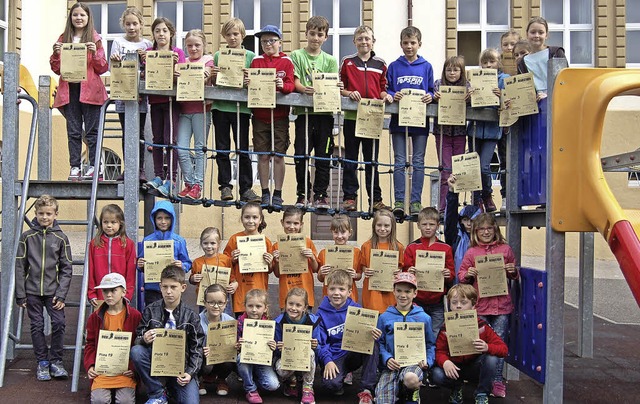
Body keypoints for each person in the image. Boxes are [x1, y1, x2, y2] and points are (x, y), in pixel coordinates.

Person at [458, 213, 519, 398]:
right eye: (482, 229)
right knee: (478, 341)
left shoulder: (505, 249)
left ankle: (497, 379)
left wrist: (512, 271)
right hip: (481, 306)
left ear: (495, 230)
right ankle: (482, 376)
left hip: (502, 306)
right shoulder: (472, 252)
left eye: (489, 228)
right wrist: (469, 273)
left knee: (498, 341)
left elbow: (514, 274)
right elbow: (461, 276)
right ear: (476, 232)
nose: (485, 232)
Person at [15, 195, 72, 381]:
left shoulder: (61, 238)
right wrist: (20, 294)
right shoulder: (27, 237)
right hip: (32, 291)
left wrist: (61, 295)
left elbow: (66, 268)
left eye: (48, 213)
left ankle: (56, 360)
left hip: (54, 293)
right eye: (41, 213)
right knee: (36, 325)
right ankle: (42, 362)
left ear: (56, 214)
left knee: (59, 323)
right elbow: (20, 266)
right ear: (35, 213)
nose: (44, 217)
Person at [50, 2, 108, 181]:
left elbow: (103, 68)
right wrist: (55, 54)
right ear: (71, 18)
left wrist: (96, 53)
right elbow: (57, 69)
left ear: (88, 17)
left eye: (82, 15)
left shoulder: (95, 38)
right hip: (70, 90)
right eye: (75, 15)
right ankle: (75, 167)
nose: (79, 18)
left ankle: (94, 166)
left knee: (92, 131)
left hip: (90, 90)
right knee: (73, 131)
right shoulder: (63, 38)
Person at [130, 265, 204, 404]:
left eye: (173, 287)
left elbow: (197, 348)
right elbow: (138, 336)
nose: (168, 291)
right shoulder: (151, 310)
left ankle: (172, 388)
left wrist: (189, 373)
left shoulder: (191, 315)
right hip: (157, 363)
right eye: (165, 287)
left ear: (183, 287)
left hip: (181, 367)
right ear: (160, 287)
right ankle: (157, 393)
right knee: (136, 352)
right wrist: (144, 339)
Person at [339, 25, 392, 212]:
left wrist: (386, 95)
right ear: (354, 41)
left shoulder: (381, 64)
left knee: (372, 161)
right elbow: (340, 88)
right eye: (360, 38)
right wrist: (349, 93)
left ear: (373, 41)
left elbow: (383, 87)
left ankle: (375, 199)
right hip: (353, 118)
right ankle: (349, 197)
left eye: (367, 38)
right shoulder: (347, 62)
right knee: (351, 159)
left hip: (373, 118)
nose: (364, 42)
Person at [290, 15, 340, 209]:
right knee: (301, 154)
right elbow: (294, 80)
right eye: (312, 34)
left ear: (325, 37)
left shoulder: (329, 60)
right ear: (306, 34)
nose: (315, 38)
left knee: (323, 155)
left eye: (320, 35)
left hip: (324, 115)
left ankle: (320, 194)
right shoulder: (296, 56)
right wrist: (303, 89)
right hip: (304, 114)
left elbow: (332, 84)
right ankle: (302, 193)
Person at [431, 284, 508, 404]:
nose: (458, 306)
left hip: (475, 367)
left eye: (463, 302)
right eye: (454, 302)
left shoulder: (482, 326)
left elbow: (503, 349)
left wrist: (487, 347)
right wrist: (445, 362)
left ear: (473, 305)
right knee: (436, 374)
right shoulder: (445, 327)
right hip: (455, 367)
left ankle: (482, 393)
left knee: (491, 358)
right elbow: (439, 351)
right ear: (450, 305)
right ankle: (456, 388)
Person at [386, 26, 434, 217]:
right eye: (405, 43)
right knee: (399, 161)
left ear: (419, 44)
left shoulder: (426, 66)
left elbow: (431, 89)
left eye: (413, 43)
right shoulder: (394, 66)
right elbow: (387, 89)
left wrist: (430, 96)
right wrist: (391, 95)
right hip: (399, 120)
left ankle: (415, 201)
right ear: (401, 44)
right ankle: (399, 200)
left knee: (418, 161)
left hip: (419, 119)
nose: (409, 46)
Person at [212, 18, 260, 203]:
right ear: (224, 36)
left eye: (236, 34)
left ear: (242, 36)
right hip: (221, 107)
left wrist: (250, 80)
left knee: (242, 148)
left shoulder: (250, 56)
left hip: (242, 109)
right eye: (229, 34)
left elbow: (256, 82)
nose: (232, 38)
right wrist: (215, 76)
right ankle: (225, 186)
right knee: (222, 148)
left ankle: (246, 188)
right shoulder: (218, 55)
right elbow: (215, 83)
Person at [248, 24, 295, 207]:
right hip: (260, 115)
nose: (268, 44)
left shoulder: (287, 62)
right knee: (262, 155)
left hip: (280, 116)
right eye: (264, 41)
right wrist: (248, 82)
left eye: (271, 40)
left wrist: (283, 85)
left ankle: (278, 192)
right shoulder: (256, 61)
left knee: (278, 155)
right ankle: (265, 191)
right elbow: (251, 86)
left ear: (279, 42)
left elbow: (291, 85)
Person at [316, 269, 381, 403]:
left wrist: (374, 334)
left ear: (349, 291)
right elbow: (320, 343)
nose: (336, 293)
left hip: (353, 353)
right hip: (335, 356)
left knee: (372, 343)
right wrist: (327, 360)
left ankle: (366, 389)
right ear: (327, 290)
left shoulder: (357, 309)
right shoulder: (320, 314)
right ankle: (341, 374)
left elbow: (366, 335)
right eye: (332, 288)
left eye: (341, 289)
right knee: (331, 385)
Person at [142, 17, 186, 197]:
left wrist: (176, 66)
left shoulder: (177, 52)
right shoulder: (148, 52)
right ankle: (159, 176)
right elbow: (145, 75)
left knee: (171, 140)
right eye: (157, 30)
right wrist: (144, 62)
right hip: (155, 99)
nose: (161, 34)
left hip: (171, 101)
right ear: (153, 34)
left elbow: (183, 74)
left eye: (165, 31)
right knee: (157, 139)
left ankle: (171, 179)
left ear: (171, 34)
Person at [375, 272, 435, 404]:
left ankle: (411, 392)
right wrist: (387, 358)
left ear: (415, 293)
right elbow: (380, 343)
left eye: (408, 291)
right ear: (393, 292)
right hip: (391, 366)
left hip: (413, 365)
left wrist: (428, 361)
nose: (403, 295)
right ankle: (400, 390)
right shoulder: (384, 317)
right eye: (399, 291)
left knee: (410, 378)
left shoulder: (424, 318)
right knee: (382, 401)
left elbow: (430, 344)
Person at [109, 6, 152, 182]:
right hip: (123, 95)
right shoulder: (118, 42)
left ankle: (140, 169)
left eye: (135, 23)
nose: (132, 27)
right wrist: (114, 60)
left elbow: (152, 70)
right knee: (127, 132)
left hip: (141, 96)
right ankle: (129, 168)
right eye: (128, 24)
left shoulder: (147, 44)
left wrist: (146, 59)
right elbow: (112, 68)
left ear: (141, 24)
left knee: (139, 133)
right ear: (123, 25)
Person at [84, 273, 142, 404]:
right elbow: (90, 344)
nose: (109, 294)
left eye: (113, 290)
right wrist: (90, 365)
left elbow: (139, 346)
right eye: (105, 290)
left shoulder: (135, 316)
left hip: (125, 371)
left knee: (125, 401)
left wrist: (133, 368)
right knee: (99, 400)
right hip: (103, 371)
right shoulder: (95, 317)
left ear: (124, 292)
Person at [467, 48, 510, 213]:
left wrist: (502, 95)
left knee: (485, 166)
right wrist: (469, 95)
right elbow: (467, 103)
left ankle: (487, 194)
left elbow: (510, 101)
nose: (488, 65)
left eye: (491, 62)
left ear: (498, 63)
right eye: (484, 62)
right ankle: (476, 199)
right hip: (475, 129)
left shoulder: (503, 79)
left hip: (492, 130)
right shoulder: (475, 78)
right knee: (473, 166)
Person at [404, 207, 455, 337]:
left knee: (435, 334)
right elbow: (404, 274)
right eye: (424, 224)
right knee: (416, 334)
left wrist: (448, 274)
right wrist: (409, 272)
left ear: (438, 226)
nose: (428, 228)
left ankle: (432, 358)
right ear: (418, 225)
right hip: (416, 301)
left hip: (437, 302)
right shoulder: (411, 247)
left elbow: (452, 275)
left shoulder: (446, 248)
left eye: (431, 225)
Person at [176, 29, 214, 201]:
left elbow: (208, 77)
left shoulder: (208, 60)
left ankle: (198, 184)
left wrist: (207, 74)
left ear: (203, 45)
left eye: (197, 45)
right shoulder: (182, 62)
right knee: (181, 148)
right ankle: (190, 183)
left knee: (200, 149)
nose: (193, 48)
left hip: (201, 110)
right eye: (189, 45)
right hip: (184, 109)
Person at [432, 56, 471, 214]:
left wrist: (470, 98)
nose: (452, 73)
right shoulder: (438, 84)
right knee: (445, 169)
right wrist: (435, 98)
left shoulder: (467, 86)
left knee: (458, 171)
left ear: (461, 72)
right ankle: (442, 207)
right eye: (449, 70)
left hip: (460, 133)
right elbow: (431, 97)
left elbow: (474, 103)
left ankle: (453, 204)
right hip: (443, 132)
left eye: (456, 70)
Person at [137, 200, 192, 306]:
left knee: (172, 318)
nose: (163, 222)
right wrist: (140, 265)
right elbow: (140, 263)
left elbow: (188, 263)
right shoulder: (148, 240)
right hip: (152, 289)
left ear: (172, 219)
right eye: (159, 218)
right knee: (153, 317)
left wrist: (182, 265)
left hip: (172, 289)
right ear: (154, 219)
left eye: (167, 218)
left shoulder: (179, 241)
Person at [223, 202, 274, 316]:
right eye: (247, 217)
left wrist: (270, 262)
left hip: (259, 290)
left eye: (255, 217)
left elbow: (270, 269)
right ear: (241, 219)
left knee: (258, 327)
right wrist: (233, 259)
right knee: (241, 327)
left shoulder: (265, 241)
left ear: (260, 220)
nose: (251, 221)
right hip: (241, 291)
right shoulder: (234, 239)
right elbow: (225, 263)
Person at [273, 288, 320, 404]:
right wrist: (279, 348)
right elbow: (274, 351)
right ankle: (291, 380)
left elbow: (320, 347)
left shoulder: (313, 322)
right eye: (290, 304)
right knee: (280, 369)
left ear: (305, 307)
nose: (293, 308)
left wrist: (315, 345)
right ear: (285, 304)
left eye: (298, 305)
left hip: (305, 358)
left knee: (311, 353)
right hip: (287, 358)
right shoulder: (279, 322)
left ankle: (307, 388)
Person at [236, 289, 280, 403]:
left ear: (265, 308)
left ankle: (254, 378)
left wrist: (273, 346)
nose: (254, 310)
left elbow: (274, 352)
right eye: (250, 306)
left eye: (258, 306)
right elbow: (233, 346)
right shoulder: (239, 323)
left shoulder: (270, 324)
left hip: (262, 361)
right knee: (240, 357)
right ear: (245, 306)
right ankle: (250, 388)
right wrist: (237, 344)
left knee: (273, 385)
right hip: (246, 360)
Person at [88, 204, 136, 307]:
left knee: (119, 322)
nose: (109, 225)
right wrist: (92, 293)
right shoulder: (94, 244)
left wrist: (127, 295)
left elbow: (131, 273)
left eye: (113, 222)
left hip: (120, 297)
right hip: (101, 296)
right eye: (105, 222)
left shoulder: (128, 244)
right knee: (102, 322)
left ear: (120, 223)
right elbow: (90, 270)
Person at [272, 207, 319, 310]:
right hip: (286, 296)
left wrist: (312, 257)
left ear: (301, 224)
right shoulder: (277, 245)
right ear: (282, 222)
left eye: (296, 223)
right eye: (288, 222)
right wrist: (276, 262)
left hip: (306, 296)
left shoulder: (308, 242)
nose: (292, 227)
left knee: (306, 325)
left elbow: (315, 269)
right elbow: (277, 274)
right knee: (286, 325)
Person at [360, 210, 405, 313]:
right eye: (379, 225)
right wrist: (365, 270)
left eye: (386, 226)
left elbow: (401, 267)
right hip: (372, 293)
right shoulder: (366, 246)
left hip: (390, 294)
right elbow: (362, 266)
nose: (382, 229)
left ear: (392, 227)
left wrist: (398, 272)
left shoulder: (398, 247)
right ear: (374, 226)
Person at [497, 29, 522, 201]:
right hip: (503, 121)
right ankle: (506, 196)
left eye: (513, 44)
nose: (509, 48)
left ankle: (519, 196)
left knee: (521, 159)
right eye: (505, 44)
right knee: (504, 159)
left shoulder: (525, 65)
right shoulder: (496, 70)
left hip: (521, 119)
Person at [199, 284, 236, 396]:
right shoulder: (197, 321)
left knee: (233, 356)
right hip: (204, 360)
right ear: (204, 302)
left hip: (222, 359)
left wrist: (237, 346)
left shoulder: (230, 322)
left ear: (226, 303)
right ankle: (199, 379)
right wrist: (201, 350)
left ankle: (221, 379)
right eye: (211, 302)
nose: (216, 306)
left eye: (220, 303)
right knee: (196, 356)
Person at [517, 16, 566, 100]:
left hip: (556, 101)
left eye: (541, 32)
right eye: (533, 32)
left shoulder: (556, 53)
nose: (536, 35)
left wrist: (548, 95)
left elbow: (565, 80)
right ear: (527, 34)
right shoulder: (522, 62)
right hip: (534, 105)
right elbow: (522, 89)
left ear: (546, 35)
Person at [189, 227, 235, 314]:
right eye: (205, 243)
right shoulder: (197, 262)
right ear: (201, 243)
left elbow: (232, 278)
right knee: (205, 323)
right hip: (204, 301)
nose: (209, 246)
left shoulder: (226, 260)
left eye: (212, 243)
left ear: (219, 243)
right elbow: (192, 279)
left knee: (223, 323)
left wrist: (234, 285)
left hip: (223, 300)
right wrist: (193, 278)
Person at [316, 214, 362, 303]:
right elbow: (321, 279)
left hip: (350, 297)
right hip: (329, 297)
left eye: (343, 232)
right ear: (331, 232)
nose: (339, 236)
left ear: (350, 232)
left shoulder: (356, 252)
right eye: (336, 232)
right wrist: (321, 272)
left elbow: (359, 275)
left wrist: (355, 275)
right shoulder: (324, 253)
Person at [443, 175, 481, 280]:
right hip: (457, 285)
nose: (469, 224)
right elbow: (450, 215)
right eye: (465, 220)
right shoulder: (455, 236)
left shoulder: (483, 238)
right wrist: (452, 191)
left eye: (473, 221)